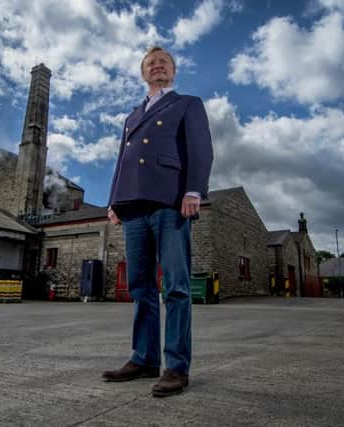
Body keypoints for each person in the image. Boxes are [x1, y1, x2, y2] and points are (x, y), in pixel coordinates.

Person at [102, 46, 213, 397]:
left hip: (170, 202)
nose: (157, 67)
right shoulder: (131, 116)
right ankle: (144, 357)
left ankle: (176, 367)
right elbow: (122, 162)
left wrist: (194, 189)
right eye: (151, 63)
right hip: (133, 205)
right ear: (143, 73)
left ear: (173, 71)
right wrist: (113, 202)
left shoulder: (187, 104)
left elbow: (201, 149)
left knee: (176, 287)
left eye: (163, 62)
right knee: (140, 287)